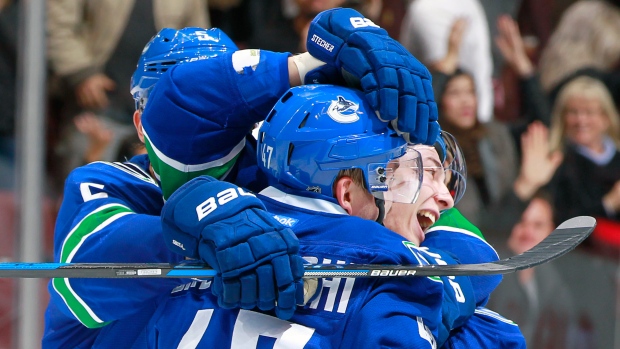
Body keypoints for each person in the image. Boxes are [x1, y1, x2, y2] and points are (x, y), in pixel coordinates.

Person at [44, 7, 440, 348]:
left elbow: (446, 238)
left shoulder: (277, 170)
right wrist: (308, 63)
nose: (217, 126)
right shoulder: (106, 182)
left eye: (232, 108)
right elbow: (83, 266)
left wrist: (443, 286)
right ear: (140, 124)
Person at [142, 84, 524, 348]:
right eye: (392, 174)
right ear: (347, 193)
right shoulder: (391, 263)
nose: (444, 199)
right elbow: (503, 337)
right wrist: (448, 289)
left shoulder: (185, 252)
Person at [46, 0, 210, 191]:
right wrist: (82, 72)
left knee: (155, 198)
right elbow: (57, 24)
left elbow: (200, 45)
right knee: (83, 192)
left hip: (159, 115)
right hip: (98, 107)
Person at [487, 191, 582, 348]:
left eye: (538, 225)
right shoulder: (489, 275)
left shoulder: (556, 284)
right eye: (522, 222)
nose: (528, 232)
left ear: (551, 232)